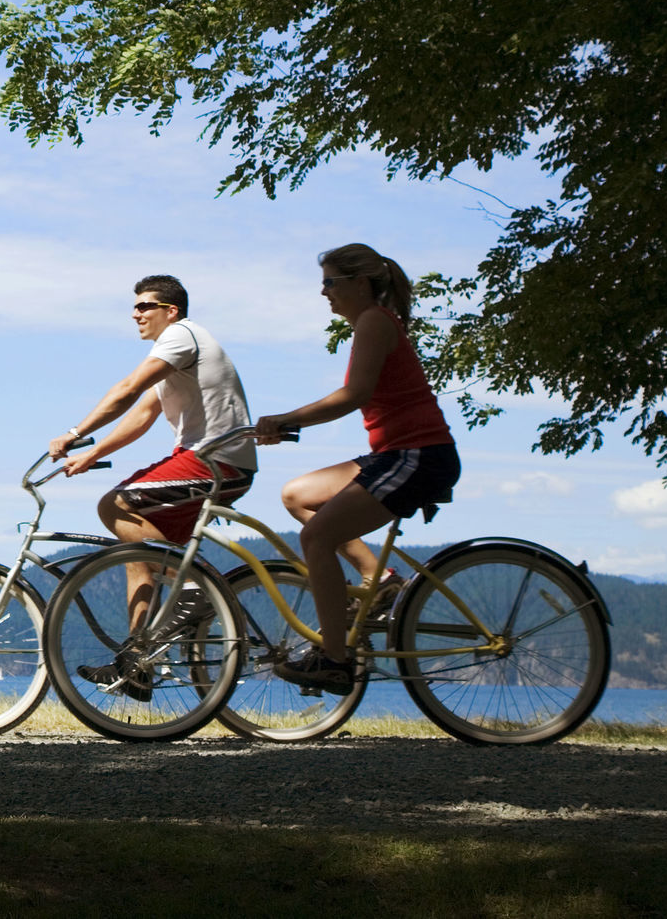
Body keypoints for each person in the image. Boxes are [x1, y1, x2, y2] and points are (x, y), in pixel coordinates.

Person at [253, 243, 460, 696]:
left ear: (360, 284)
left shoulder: (374, 321)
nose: (323, 292)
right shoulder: (371, 323)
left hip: (419, 456)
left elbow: (354, 395)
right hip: (395, 454)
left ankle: (334, 661)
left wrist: (286, 418)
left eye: (331, 282)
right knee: (298, 495)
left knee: (316, 537)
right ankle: (380, 581)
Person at [47, 275, 256, 699]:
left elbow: (126, 390)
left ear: (171, 311)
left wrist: (75, 431)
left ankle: (195, 588)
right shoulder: (172, 356)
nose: (135, 313)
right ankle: (137, 661)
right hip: (207, 461)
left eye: (145, 306)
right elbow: (141, 416)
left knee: (115, 505)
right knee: (136, 552)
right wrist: (93, 452)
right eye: (135, 306)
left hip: (217, 461)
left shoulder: (181, 337)